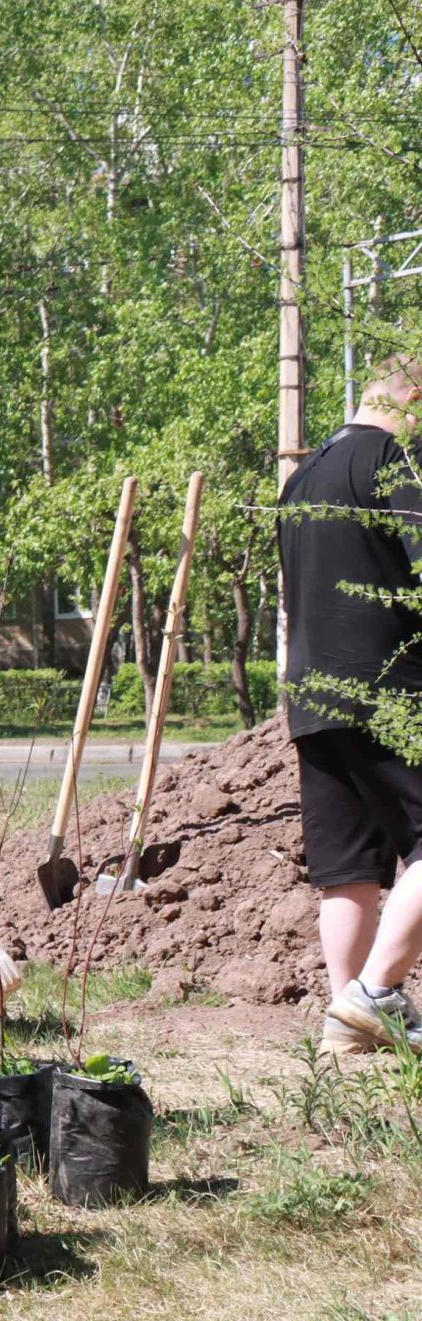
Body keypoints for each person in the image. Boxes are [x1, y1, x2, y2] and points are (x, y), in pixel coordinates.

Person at [279, 355, 422, 1053]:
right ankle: (377, 992)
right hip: (390, 689)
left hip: (312, 693)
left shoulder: (305, 474)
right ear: (413, 400)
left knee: (348, 867)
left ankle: (346, 1024)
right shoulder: (394, 461)